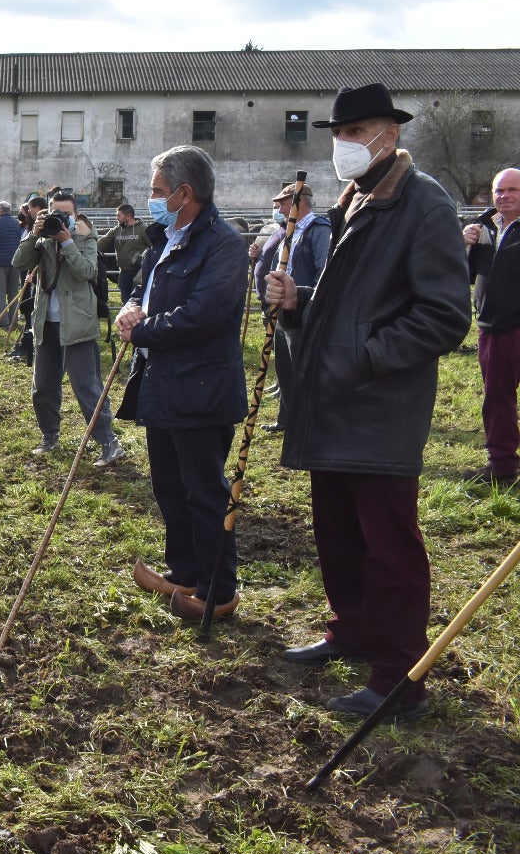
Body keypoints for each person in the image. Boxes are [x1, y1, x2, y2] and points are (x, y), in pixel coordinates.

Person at [264, 83, 469, 721]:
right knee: (338, 533)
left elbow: (444, 317)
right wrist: (300, 303)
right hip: (334, 401)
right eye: (339, 134)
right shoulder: (354, 200)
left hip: (380, 408)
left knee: (389, 545)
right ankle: (350, 629)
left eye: (357, 133)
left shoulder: (423, 205)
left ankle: (398, 678)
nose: (344, 145)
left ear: (391, 134)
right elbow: (348, 305)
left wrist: (365, 355)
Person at [116, 146, 248, 619]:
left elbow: (203, 315)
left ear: (184, 193)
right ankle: (185, 571)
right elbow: (144, 287)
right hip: (161, 382)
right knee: (169, 486)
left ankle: (218, 588)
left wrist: (142, 330)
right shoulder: (166, 238)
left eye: (156, 191)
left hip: (202, 388)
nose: (150, 199)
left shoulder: (223, 246)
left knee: (203, 489)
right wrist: (131, 306)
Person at [13, 190, 122, 466]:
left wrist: (68, 241)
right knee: (43, 388)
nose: (59, 219)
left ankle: (108, 442)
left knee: (87, 387)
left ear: (75, 215)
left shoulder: (86, 236)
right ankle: (50, 436)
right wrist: (33, 234)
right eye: (54, 213)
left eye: (66, 214)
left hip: (78, 324)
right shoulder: (43, 238)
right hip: (46, 323)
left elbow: (87, 271)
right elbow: (18, 262)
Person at [464, 167, 520, 484]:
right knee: (496, 399)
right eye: (499, 190)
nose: (505, 196)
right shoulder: (485, 228)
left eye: (513, 190)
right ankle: (502, 467)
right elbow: (468, 275)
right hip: (491, 328)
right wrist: (465, 245)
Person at [263, 181, 331, 434]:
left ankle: (307, 422)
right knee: (285, 370)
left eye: (282, 202)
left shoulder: (318, 230)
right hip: (283, 311)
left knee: (302, 368)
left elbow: (324, 271)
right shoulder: (289, 232)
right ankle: (287, 419)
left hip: (302, 310)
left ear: (298, 202)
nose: (278, 208)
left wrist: (310, 305)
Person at [7, 197, 48, 365]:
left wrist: (34, 273)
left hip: (39, 279)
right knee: (28, 309)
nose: (26, 214)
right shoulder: (31, 227)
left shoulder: (46, 227)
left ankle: (29, 347)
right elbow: (23, 256)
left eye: (28, 211)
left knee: (32, 311)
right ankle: (27, 346)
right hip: (31, 274)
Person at [96, 204, 148, 305]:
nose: (117, 218)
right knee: (125, 300)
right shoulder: (117, 230)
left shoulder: (143, 229)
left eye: (119, 215)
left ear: (128, 216)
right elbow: (102, 242)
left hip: (139, 273)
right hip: (124, 272)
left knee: (138, 301)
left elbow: (153, 247)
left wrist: (141, 258)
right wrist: (88, 247)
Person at [0, 201, 24, 327]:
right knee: (13, 292)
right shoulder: (16, 223)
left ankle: (3, 321)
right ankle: (14, 320)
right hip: (14, 262)